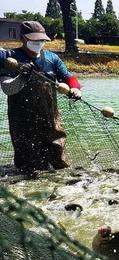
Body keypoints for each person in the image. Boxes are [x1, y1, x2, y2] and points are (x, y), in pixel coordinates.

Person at [0, 21, 82, 172]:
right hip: (22, 122)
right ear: (23, 38)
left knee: (58, 160)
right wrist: (21, 77)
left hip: (50, 119)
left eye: (41, 40)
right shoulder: (8, 57)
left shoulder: (52, 58)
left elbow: (68, 78)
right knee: (28, 167)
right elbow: (7, 88)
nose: (38, 43)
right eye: (34, 40)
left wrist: (76, 89)